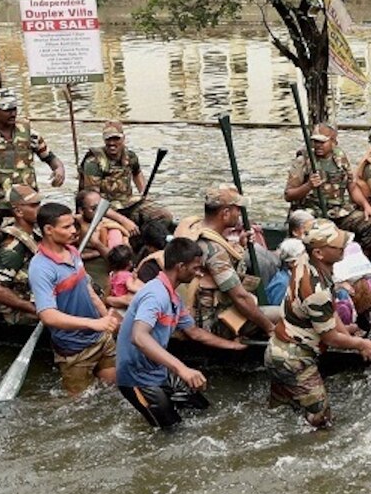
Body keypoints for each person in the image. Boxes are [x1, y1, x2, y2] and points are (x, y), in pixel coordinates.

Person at [115, 237, 243, 429]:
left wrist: (234, 345)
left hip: (158, 369)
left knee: (202, 408)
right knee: (172, 431)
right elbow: (139, 337)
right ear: (181, 267)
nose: (199, 273)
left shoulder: (173, 297)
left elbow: (194, 332)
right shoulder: (155, 295)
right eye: (195, 268)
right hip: (137, 377)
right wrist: (182, 369)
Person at [264, 219, 371, 428]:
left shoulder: (303, 261)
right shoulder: (317, 291)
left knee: (280, 414)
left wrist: (350, 337)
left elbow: (331, 313)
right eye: (337, 245)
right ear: (319, 253)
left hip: (279, 351)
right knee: (322, 422)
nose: (344, 247)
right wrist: (362, 344)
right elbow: (330, 337)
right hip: (295, 360)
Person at [27, 202, 121, 395]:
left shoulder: (72, 251)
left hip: (101, 338)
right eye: (66, 227)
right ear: (48, 230)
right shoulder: (41, 268)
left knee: (113, 390)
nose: (74, 231)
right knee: (78, 405)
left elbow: (88, 289)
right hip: (75, 348)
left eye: (73, 225)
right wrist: (93, 324)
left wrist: (106, 321)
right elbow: (48, 316)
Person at [185, 184, 278, 338]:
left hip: (215, 311)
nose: (239, 214)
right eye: (237, 209)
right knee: (282, 314)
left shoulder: (199, 232)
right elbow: (239, 297)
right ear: (226, 213)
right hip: (216, 322)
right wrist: (269, 327)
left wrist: (240, 247)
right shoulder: (213, 248)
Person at [283, 124, 371, 256]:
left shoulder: (340, 157)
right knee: (311, 235)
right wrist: (308, 186)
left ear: (333, 142)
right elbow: (288, 195)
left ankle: (358, 259)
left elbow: (352, 186)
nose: (318, 145)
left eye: (322, 142)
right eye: (315, 142)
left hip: (338, 212)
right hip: (312, 213)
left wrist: (367, 207)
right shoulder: (303, 160)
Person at [0, 89, 64, 212]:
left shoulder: (30, 134)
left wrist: (59, 169)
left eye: (14, 109)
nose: (12, 114)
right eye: (7, 110)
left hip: (23, 201)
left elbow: (50, 158)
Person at [79, 121, 173, 232]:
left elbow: (137, 173)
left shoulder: (130, 156)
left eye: (116, 139)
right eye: (108, 139)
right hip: (103, 210)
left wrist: (144, 194)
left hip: (127, 203)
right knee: (116, 232)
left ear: (123, 138)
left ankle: (146, 238)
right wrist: (123, 221)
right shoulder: (93, 162)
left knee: (164, 216)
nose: (112, 143)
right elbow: (94, 203)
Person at [0, 185, 42, 329]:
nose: (39, 209)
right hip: (17, 313)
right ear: (18, 211)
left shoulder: (32, 233)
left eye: (39, 204)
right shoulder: (12, 247)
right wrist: (33, 309)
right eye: (34, 206)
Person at [74, 188, 130, 262]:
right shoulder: (74, 222)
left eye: (101, 206)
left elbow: (118, 260)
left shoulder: (106, 225)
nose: (99, 211)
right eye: (94, 208)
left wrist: (96, 244)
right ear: (81, 210)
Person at [265, 238, 307, 307]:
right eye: (303, 257)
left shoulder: (295, 277)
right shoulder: (283, 284)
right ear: (291, 263)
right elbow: (277, 311)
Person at [104, 245, 135, 310]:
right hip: (122, 303)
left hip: (114, 301)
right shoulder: (127, 275)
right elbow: (130, 286)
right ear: (130, 263)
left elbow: (108, 289)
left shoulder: (111, 274)